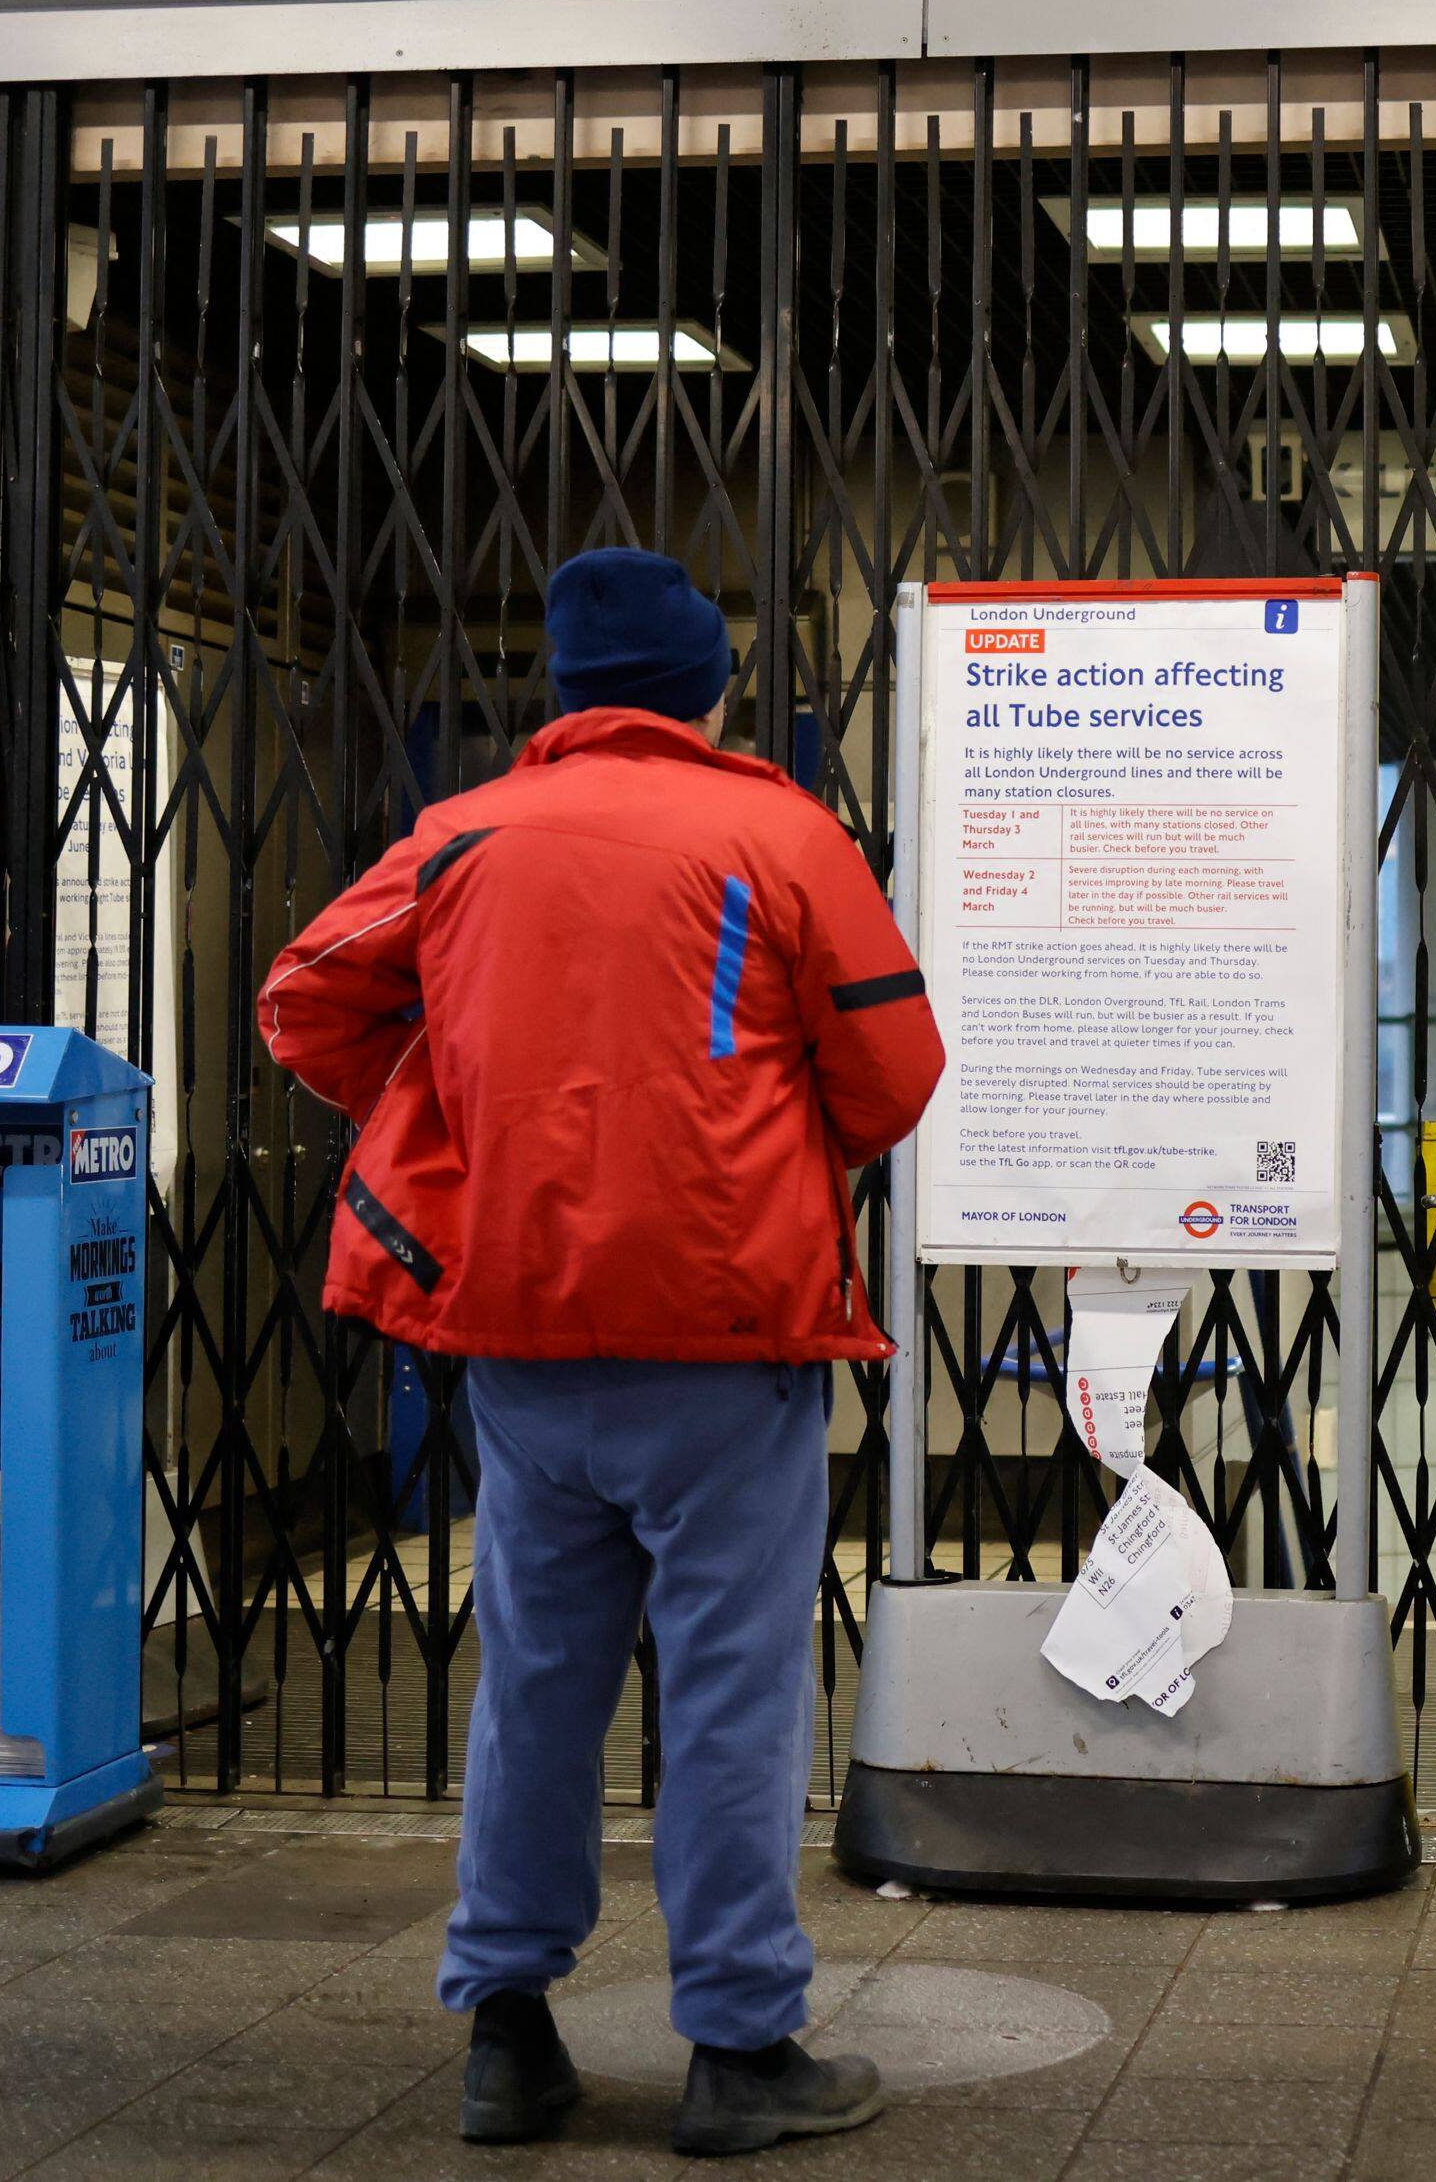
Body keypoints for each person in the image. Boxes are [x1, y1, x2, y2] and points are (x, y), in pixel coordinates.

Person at [258, 547, 944, 2157]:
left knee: (536, 1682)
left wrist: (454, 1113)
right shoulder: (779, 832)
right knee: (731, 1691)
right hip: (724, 1333)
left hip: (516, 1334)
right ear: (712, 690)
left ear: (561, 699)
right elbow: (895, 1068)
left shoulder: (460, 838)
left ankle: (508, 2030)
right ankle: (739, 2045)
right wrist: (764, 1147)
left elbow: (305, 1002)